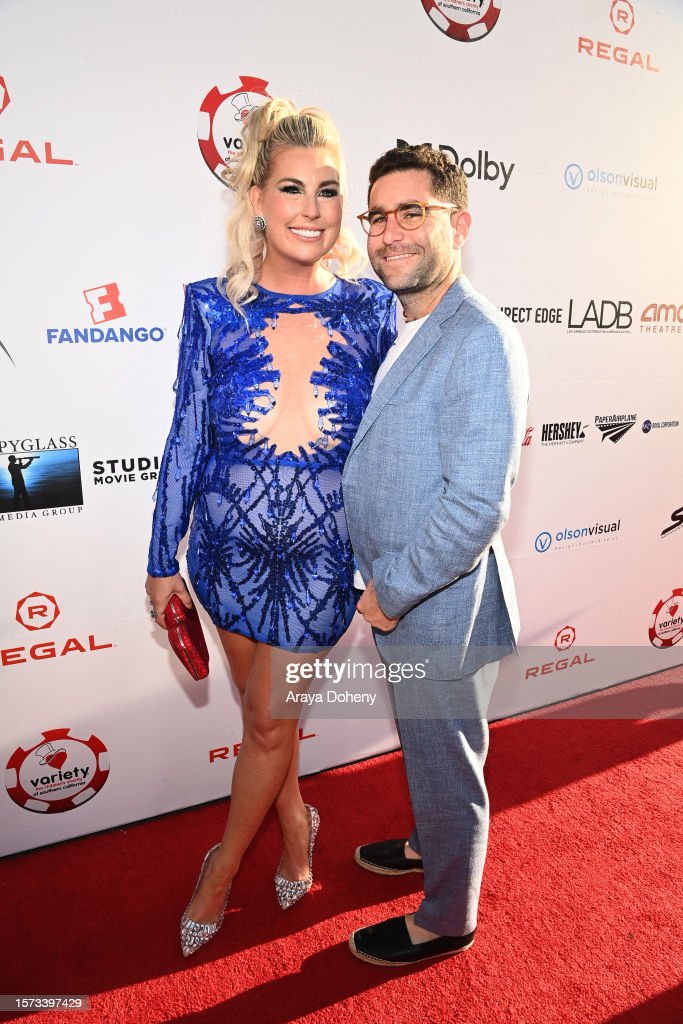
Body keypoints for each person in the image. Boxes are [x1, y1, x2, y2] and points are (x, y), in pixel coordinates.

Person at [145, 99, 395, 957]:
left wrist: (382, 560)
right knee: (269, 723)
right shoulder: (209, 307)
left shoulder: (371, 311)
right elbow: (186, 432)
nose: (312, 209)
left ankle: (220, 869)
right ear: (255, 197)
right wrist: (159, 555)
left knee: (263, 722)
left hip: (320, 557)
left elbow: (385, 447)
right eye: (291, 188)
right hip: (223, 547)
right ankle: (297, 819)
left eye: (328, 191)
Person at [342, 145, 529, 966]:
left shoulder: (478, 338)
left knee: (447, 757)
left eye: (409, 212)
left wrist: (389, 593)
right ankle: (428, 842)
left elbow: (475, 506)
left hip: (432, 606)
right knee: (433, 746)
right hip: (421, 603)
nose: (389, 232)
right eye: (377, 216)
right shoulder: (405, 322)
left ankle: (447, 915)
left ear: (457, 222)